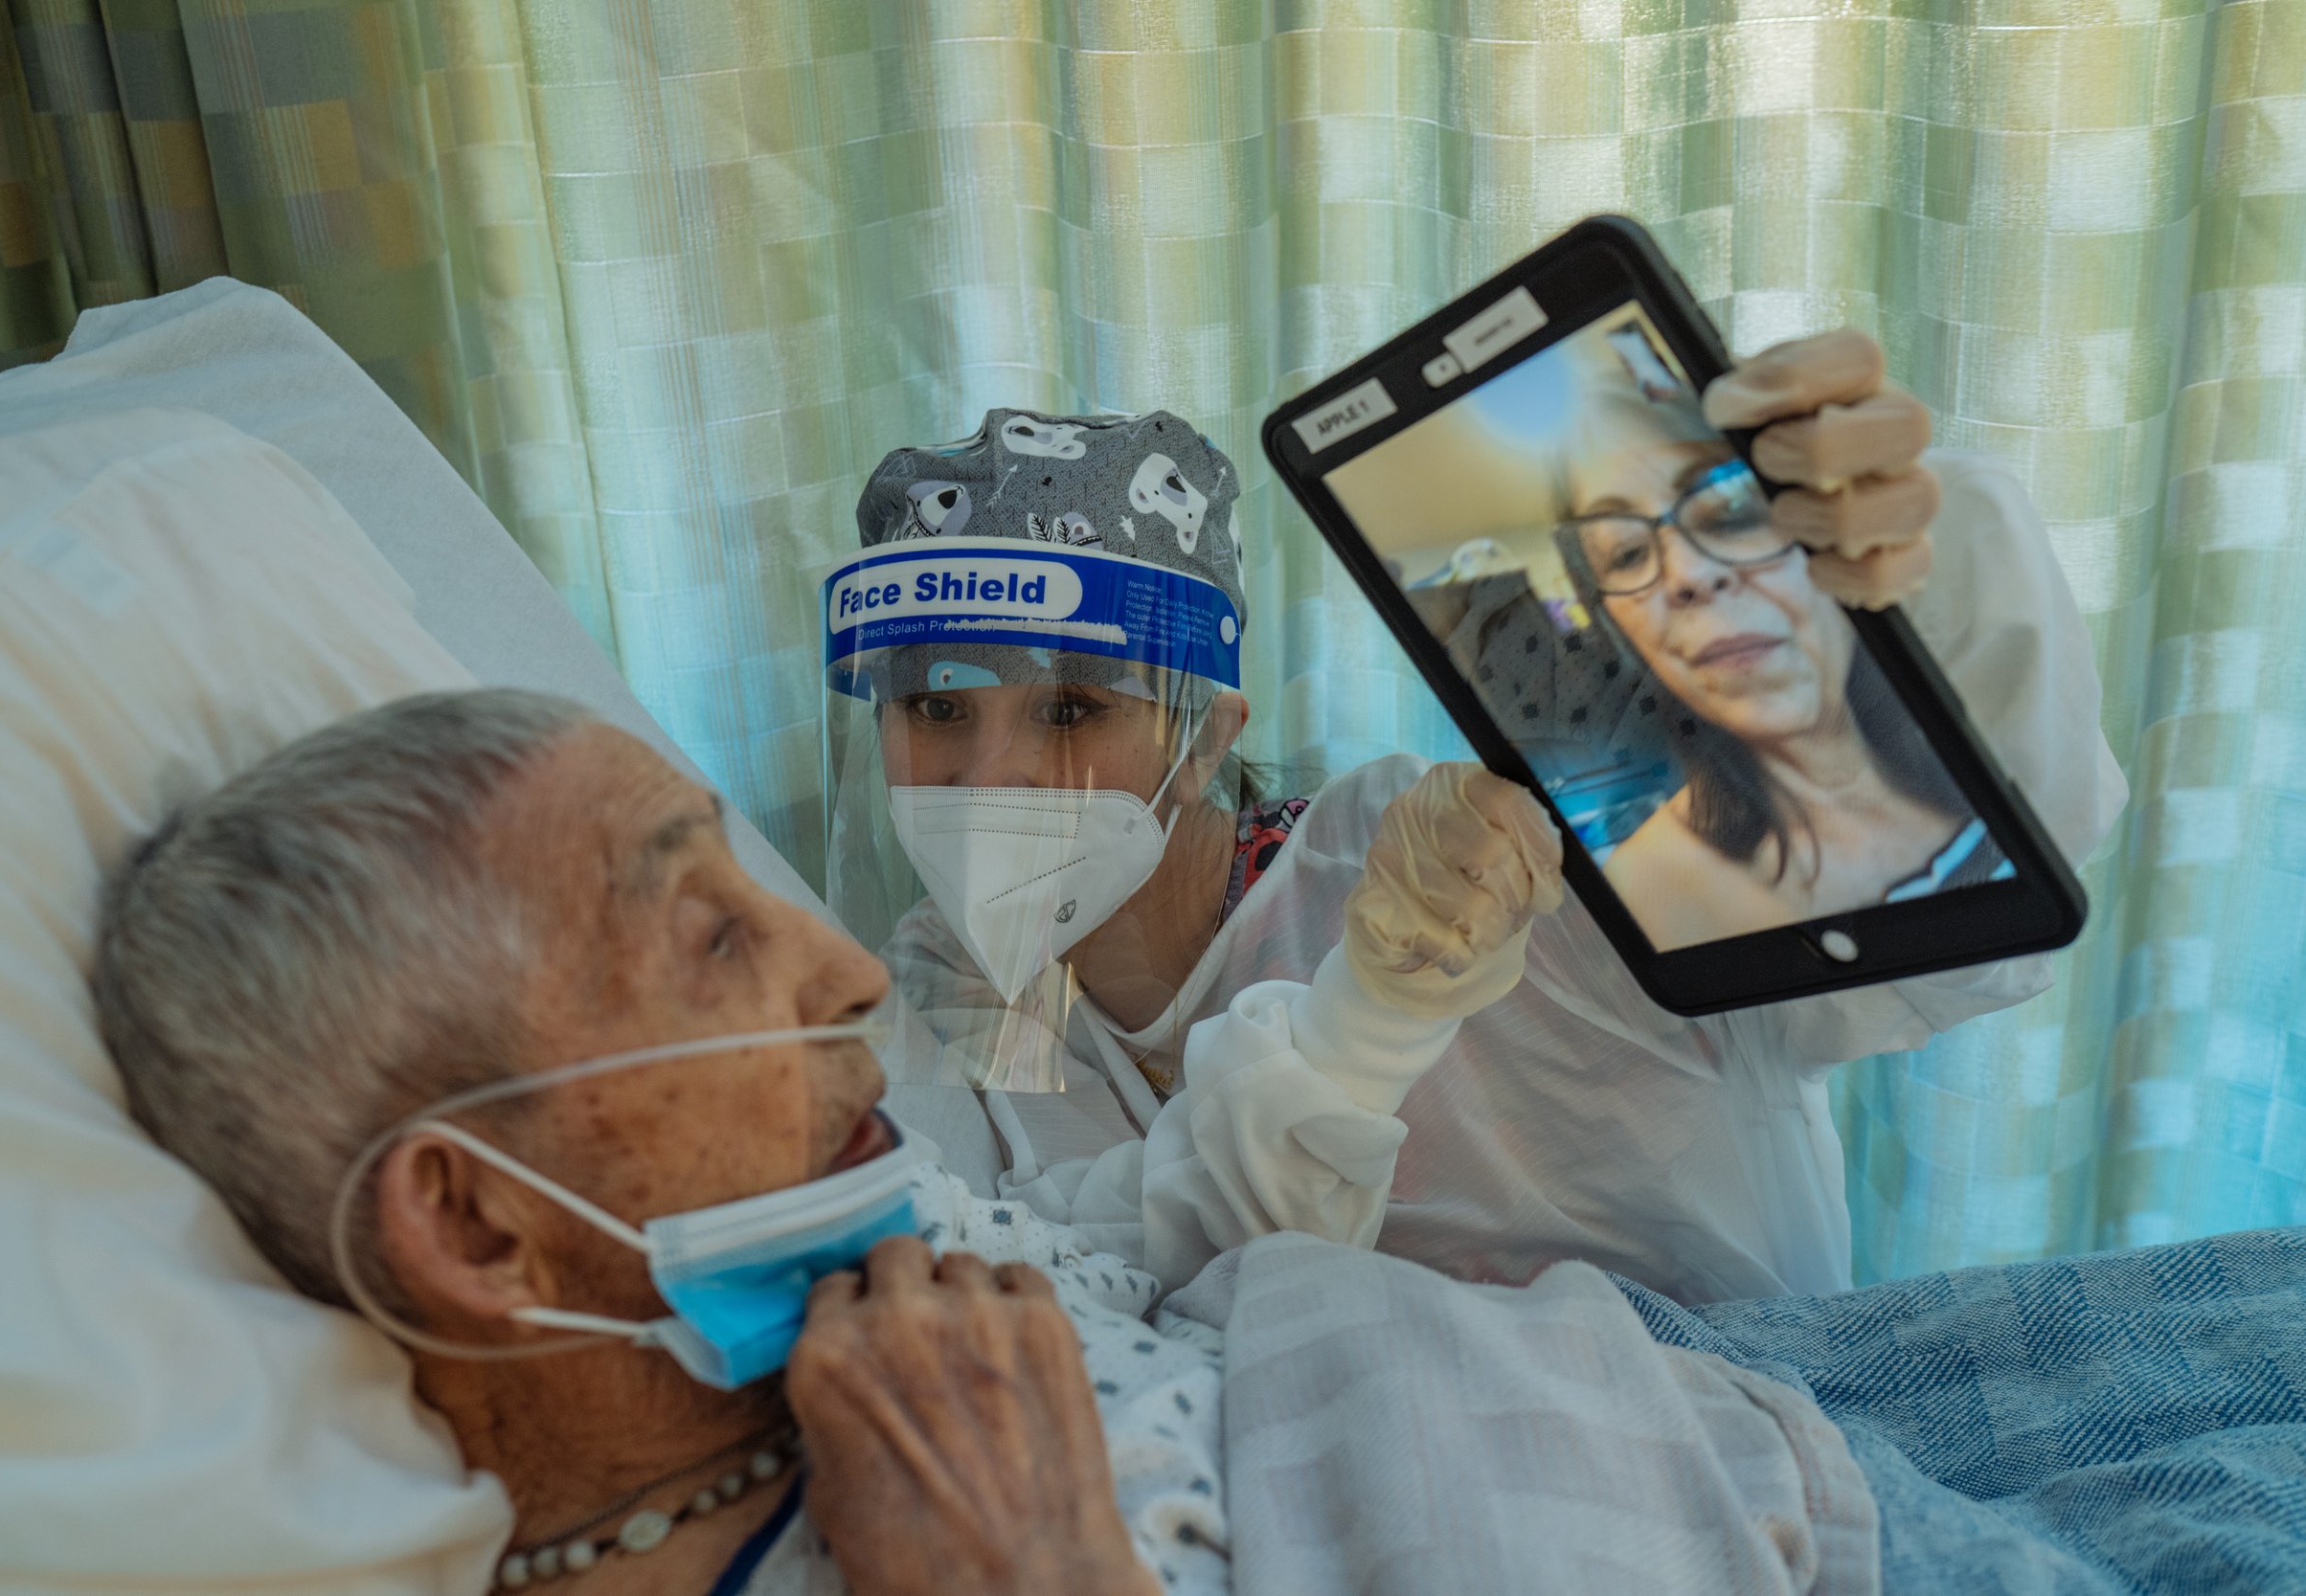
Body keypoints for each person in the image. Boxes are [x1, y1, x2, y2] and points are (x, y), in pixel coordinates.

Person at [88, 690, 2306, 1596]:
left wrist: (1374, 1016)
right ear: (474, 1218)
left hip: (1784, 1399)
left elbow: (1144, 1222)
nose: (845, 971)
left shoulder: (867, 1229)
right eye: (705, 935)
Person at [830, 330, 2129, 1304]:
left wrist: (1911, 593)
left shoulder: (1471, 860)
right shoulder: (954, 993)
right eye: (938, 708)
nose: (988, 776)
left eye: (1071, 712)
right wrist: (1357, 1035)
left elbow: (1942, 934)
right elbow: (992, 1281)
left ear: (1210, 729)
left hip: (1720, 1443)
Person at [1553, 384, 2002, 949]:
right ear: (1619, 629)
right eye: (1626, 553)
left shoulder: (1992, 726)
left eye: (1731, 509)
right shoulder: (1644, 898)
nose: (1688, 573)